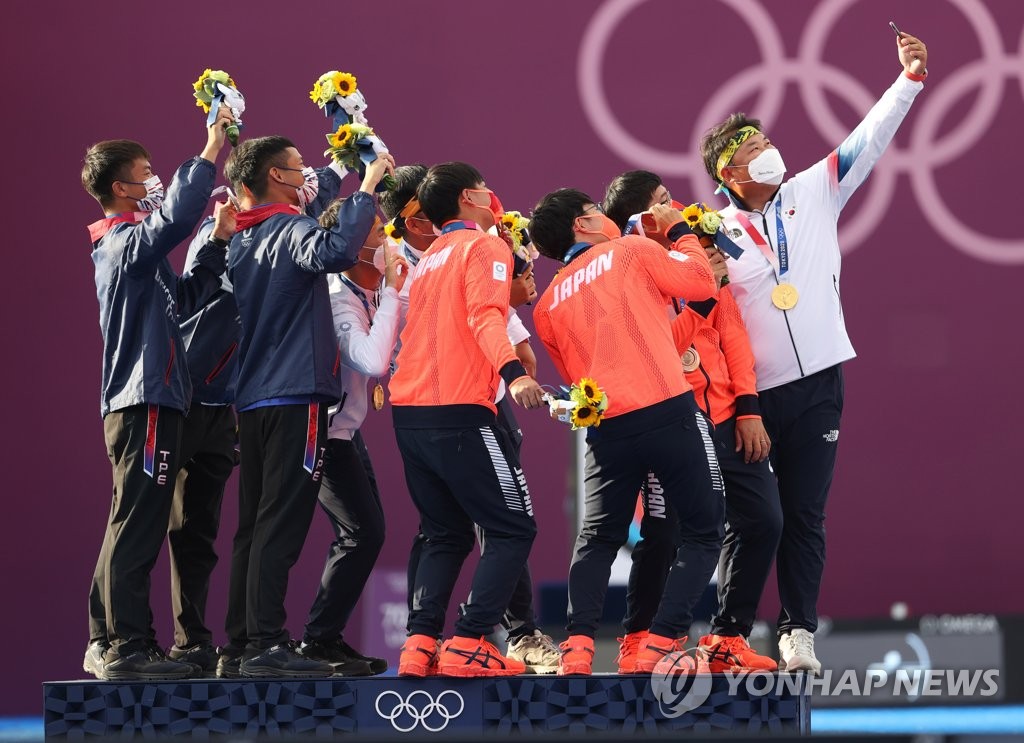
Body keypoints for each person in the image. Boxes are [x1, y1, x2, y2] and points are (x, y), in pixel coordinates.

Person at [699, 30, 929, 673]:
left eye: (768, 141)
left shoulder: (812, 190)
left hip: (821, 381)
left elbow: (868, 138)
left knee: (804, 514)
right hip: (753, 394)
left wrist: (908, 80)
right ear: (729, 174)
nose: (770, 151)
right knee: (752, 521)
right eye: (754, 149)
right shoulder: (713, 234)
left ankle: (797, 630)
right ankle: (730, 634)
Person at [529, 189, 724, 675]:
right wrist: (679, 228)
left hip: (607, 428)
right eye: (595, 210)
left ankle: (576, 650)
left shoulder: (547, 305)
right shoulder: (633, 251)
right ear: (584, 224)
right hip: (667, 409)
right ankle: (659, 641)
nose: (605, 216)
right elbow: (701, 282)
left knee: (596, 538)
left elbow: (581, 378)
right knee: (704, 532)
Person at [220, 135, 394, 677]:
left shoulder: (239, 239)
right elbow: (338, 251)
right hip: (298, 396)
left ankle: (244, 645)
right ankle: (269, 643)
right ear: (277, 178)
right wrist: (366, 184)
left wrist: (353, 160)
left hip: (253, 398)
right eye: (298, 169)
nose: (307, 176)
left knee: (254, 525)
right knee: (280, 525)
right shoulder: (291, 230)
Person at [381, 166, 561, 674]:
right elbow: (485, 314)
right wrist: (513, 373)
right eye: (483, 184)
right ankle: (469, 642)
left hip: (410, 414)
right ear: (469, 196)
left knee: (446, 534)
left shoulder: (430, 256)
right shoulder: (484, 247)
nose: (492, 192)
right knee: (512, 529)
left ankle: (419, 648)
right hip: (460, 411)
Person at [603, 171, 781, 673]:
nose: (675, 206)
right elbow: (655, 353)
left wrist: (748, 407)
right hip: (673, 417)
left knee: (765, 520)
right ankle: (641, 640)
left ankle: (727, 637)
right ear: (639, 221)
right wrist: (703, 298)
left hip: (725, 414)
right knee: (664, 533)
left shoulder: (700, 252)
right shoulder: (628, 273)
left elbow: (734, 335)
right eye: (662, 202)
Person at [81, 105, 235, 680]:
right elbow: (172, 219)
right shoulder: (124, 244)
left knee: (130, 519)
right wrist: (211, 147)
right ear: (120, 187)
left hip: (153, 399)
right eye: (146, 172)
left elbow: (188, 300)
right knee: (138, 524)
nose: (155, 179)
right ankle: (127, 646)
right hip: (144, 401)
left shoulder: (137, 258)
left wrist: (217, 239)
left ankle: (107, 639)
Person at [296, 204, 405, 676]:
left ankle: (325, 638)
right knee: (363, 532)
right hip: (321, 431)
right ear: (355, 241)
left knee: (366, 532)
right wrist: (397, 295)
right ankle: (317, 641)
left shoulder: (372, 289)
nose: (388, 239)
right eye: (380, 231)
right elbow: (370, 359)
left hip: (345, 429)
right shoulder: (339, 294)